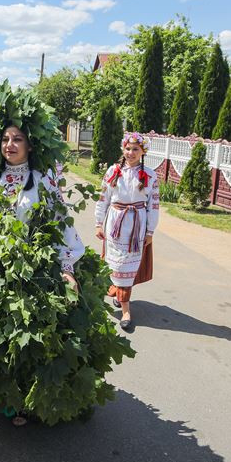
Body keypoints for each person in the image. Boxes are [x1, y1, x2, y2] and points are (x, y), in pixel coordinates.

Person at [0, 87, 85, 426]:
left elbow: (59, 225)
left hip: (34, 268)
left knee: (28, 337)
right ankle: (0, 397)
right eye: (4, 139)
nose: (9, 145)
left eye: (17, 139)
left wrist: (66, 267)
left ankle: (28, 399)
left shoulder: (43, 181)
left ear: (30, 145)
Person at [94, 132, 159, 331]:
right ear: (123, 149)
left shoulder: (149, 175)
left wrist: (150, 231)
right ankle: (121, 296)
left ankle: (125, 309)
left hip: (136, 227)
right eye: (128, 149)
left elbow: (153, 205)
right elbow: (103, 198)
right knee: (115, 264)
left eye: (135, 149)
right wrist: (98, 223)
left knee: (126, 267)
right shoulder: (114, 171)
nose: (130, 153)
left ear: (142, 152)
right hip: (115, 225)